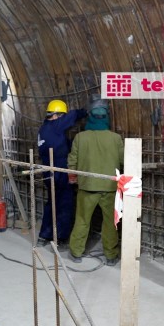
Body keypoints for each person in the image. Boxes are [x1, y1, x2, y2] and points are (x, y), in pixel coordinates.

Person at [67, 99, 123, 265]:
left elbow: (72, 161)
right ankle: (111, 255)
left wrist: (73, 178)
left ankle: (76, 252)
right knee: (110, 223)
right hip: (110, 188)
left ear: (90, 116)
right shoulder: (116, 138)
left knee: (82, 220)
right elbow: (123, 160)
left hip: (87, 187)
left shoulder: (80, 138)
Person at [36, 99, 87, 248]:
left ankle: (44, 235)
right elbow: (73, 115)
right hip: (59, 171)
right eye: (62, 116)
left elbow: (63, 145)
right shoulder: (55, 126)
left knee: (52, 202)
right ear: (57, 115)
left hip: (48, 171)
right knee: (65, 203)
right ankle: (60, 238)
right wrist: (85, 111)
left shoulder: (44, 129)